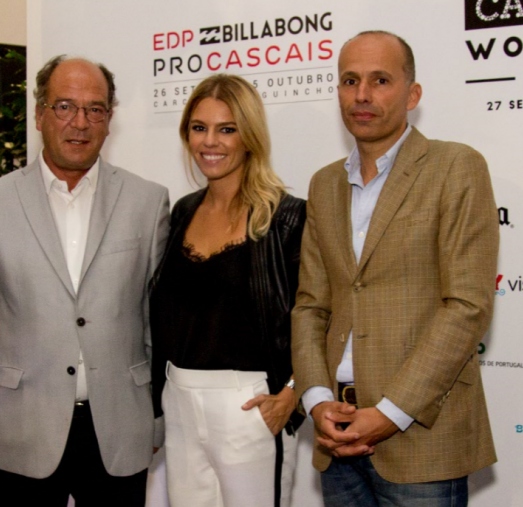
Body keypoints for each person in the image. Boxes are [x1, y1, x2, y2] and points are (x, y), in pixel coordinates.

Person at [291, 30, 499, 506]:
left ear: (413, 94)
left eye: (380, 80)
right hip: (335, 433)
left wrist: (390, 412)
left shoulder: (455, 167)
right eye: (350, 81)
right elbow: (310, 306)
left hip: (422, 435)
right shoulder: (325, 184)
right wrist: (317, 400)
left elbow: (467, 305)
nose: (362, 95)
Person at [0, 55, 170, 506]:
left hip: (119, 428)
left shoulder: (147, 202)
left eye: (95, 109)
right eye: (65, 106)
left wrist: (155, 418)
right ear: (39, 114)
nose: (80, 122)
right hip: (21, 428)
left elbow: (157, 324)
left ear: (109, 120)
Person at [149, 74, 306, 507]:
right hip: (179, 400)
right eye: (199, 128)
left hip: (250, 404)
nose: (210, 142)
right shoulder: (183, 211)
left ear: (249, 136)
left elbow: (319, 316)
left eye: (227, 129)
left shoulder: (286, 218)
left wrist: (293, 392)